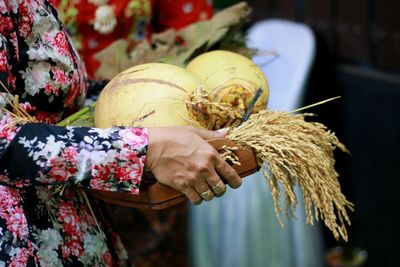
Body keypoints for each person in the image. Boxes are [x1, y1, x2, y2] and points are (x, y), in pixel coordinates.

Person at [0, 1, 241, 266]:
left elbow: (48, 98)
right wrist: (143, 149)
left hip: (76, 214)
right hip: (22, 240)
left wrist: (164, 103)